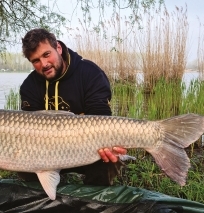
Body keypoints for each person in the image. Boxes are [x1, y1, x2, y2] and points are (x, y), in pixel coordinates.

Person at [18, 28, 127, 186]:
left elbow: (101, 119)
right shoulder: (29, 86)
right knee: (23, 165)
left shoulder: (90, 74)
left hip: (87, 149)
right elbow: (28, 133)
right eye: (36, 60)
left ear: (59, 48)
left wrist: (109, 144)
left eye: (46, 54)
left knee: (107, 160)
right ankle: (49, 199)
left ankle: (93, 200)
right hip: (45, 152)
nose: (44, 64)